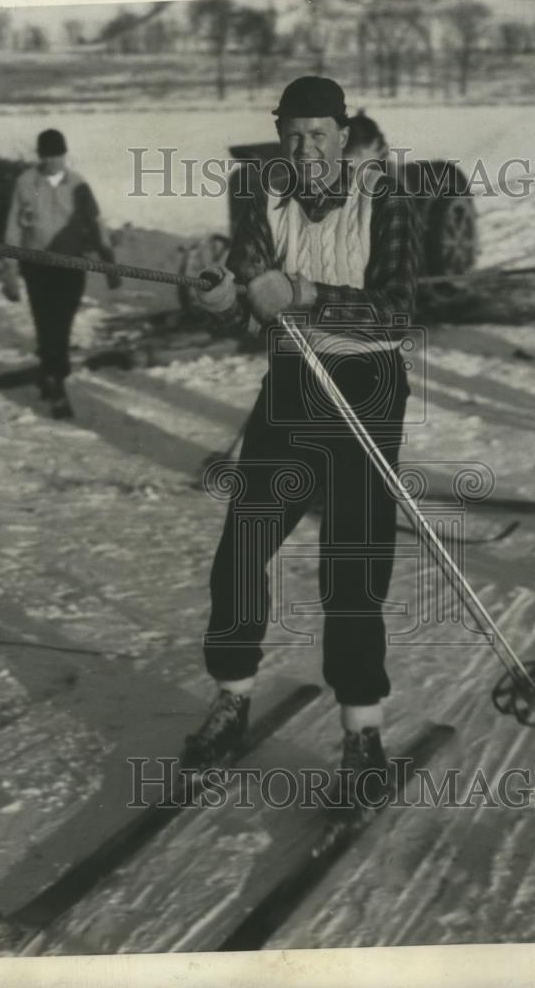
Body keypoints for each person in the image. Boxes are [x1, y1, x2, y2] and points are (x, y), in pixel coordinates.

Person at [185, 77, 422, 809]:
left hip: (366, 386)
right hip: (292, 385)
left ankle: (361, 734)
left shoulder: (385, 198)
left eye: (319, 133)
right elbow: (256, 299)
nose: (304, 147)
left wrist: (311, 297)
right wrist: (224, 299)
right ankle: (232, 698)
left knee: (350, 568)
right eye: (292, 132)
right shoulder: (263, 194)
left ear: (344, 135)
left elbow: (396, 314)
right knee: (243, 547)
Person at [2, 128, 119, 419]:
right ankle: (57, 385)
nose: (53, 160)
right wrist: (9, 271)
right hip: (36, 263)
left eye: (57, 154)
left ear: (64, 154)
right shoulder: (26, 183)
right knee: (46, 321)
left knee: (62, 322)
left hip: (71, 264)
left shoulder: (78, 184)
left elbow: (96, 225)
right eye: (47, 155)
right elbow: (13, 228)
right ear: (40, 155)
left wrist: (109, 263)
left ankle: (49, 373)